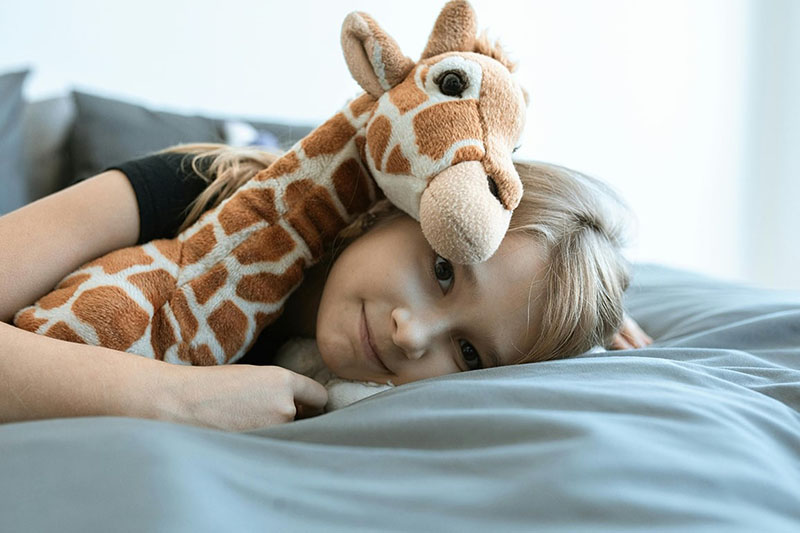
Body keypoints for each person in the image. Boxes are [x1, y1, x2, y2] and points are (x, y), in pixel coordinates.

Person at [0, 145, 651, 431]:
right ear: (401, 200)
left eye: (470, 353)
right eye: (443, 270)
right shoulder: (189, 188)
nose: (412, 333)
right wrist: (180, 399)